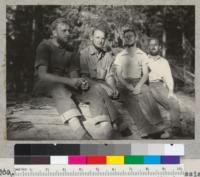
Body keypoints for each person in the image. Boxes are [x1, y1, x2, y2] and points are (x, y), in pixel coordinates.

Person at [33, 18, 114, 140]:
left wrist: (79, 82)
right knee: (58, 88)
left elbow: (73, 72)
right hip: (46, 84)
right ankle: (79, 131)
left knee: (94, 88)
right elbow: (42, 75)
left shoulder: (71, 49)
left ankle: (105, 126)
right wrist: (69, 81)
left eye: (69, 30)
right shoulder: (45, 46)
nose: (68, 33)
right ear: (54, 32)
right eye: (64, 31)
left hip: (65, 83)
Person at [114, 27, 168, 139]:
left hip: (138, 80)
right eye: (126, 37)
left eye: (131, 36)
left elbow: (145, 74)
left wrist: (138, 86)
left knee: (146, 90)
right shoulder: (120, 56)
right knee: (130, 99)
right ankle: (144, 129)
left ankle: (159, 125)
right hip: (124, 83)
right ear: (124, 39)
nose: (128, 38)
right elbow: (118, 75)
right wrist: (127, 85)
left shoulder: (142, 54)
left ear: (136, 38)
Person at [79, 25, 132, 137]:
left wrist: (112, 88)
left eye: (103, 38)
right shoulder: (84, 54)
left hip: (103, 86)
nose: (100, 41)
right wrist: (105, 87)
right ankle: (118, 121)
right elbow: (84, 77)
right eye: (97, 37)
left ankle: (119, 124)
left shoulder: (107, 56)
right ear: (92, 38)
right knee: (100, 89)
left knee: (121, 95)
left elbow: (110, 75)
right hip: (87, 87)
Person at [148, 38, 181, 138]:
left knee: (174, 102)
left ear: (159, 47)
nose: (153, 47)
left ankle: (175, 128)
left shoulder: (164, 62)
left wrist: (170, 91)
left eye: (155, 44)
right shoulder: (144, 59)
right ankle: (156, 129)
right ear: (148, 47)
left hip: (158, 85)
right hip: (146, 85)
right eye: (151, 45)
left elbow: (168, 77)